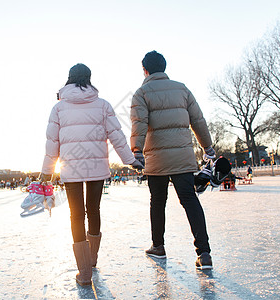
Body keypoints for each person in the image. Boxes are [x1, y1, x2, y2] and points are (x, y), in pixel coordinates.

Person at [40, 63, 143, 285]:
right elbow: (117, 136)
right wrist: (131, 160)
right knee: (93, 210)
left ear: (69, 79)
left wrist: (46, 173)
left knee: (76, 215)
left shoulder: (58, 108)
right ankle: (92, 259)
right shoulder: (103, 105)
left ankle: (84, 271)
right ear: (89, 79)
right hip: (96, 167)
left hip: (71, 168)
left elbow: (52, 144)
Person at [130, 51, 215, 270]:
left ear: (145, 70)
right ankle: (204, 253)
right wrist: (208, 147)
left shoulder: (142, 93)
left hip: (156, 157)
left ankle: (158, 246)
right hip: (182, 155)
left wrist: (137, 151)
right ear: (164, 68)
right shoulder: (182, 89)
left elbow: (139, 123)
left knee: (157, 201)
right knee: (189, 199)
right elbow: (198, 119)